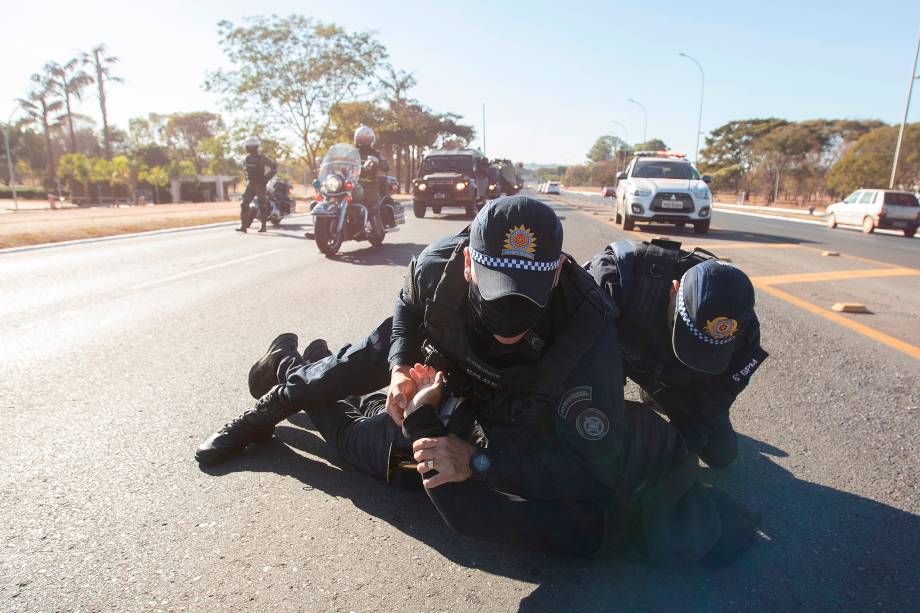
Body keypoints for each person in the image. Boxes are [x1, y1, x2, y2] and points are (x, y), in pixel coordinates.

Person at [197, 196, 758, 563]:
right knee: (345, 369)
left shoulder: (587, 326)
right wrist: (396, 368)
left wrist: (476, 458)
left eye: (528, 296)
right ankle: (286, 373)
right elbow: (403, 312)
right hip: (445, 356)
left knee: (386, 458)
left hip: (505, 401)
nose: (511, 316)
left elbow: (569, 450)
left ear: (559, 272)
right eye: (497, 288)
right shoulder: (435, 267)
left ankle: (320, 378)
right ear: (468, 263)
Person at [585, 239, 768, 468]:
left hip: (676, 379)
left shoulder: (744, 331)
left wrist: (677, 456)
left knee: (721, 456)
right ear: (674, 289)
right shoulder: (619, 280)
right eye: (681, 331)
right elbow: (578, 357)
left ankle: (657, 396)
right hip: (621, 359)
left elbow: (717, 399)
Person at [237, 136, 277, 233]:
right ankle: (244, 226)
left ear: (252, 147)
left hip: (260, 185)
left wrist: (266, 179)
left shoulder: (261, 158)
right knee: (244, 204)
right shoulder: (247, 158)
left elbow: (273, 168)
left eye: (248, 146)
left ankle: (263, 226)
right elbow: (246, 172)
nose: (247, 148)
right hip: (251, 185)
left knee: (262, 205)